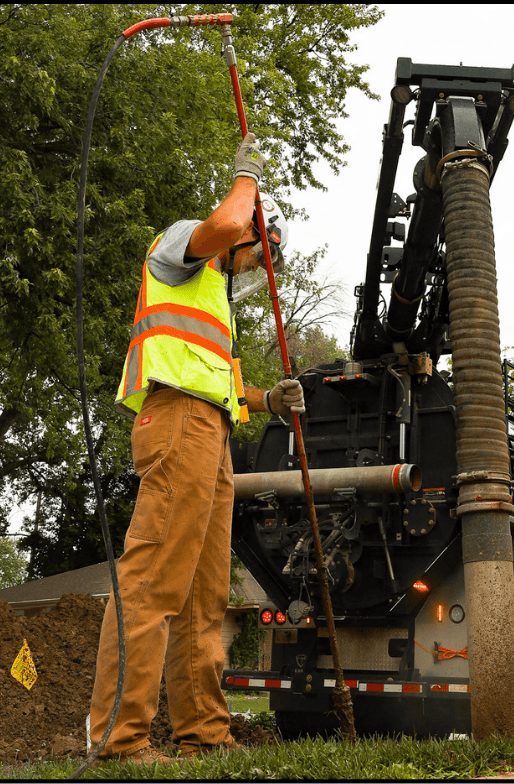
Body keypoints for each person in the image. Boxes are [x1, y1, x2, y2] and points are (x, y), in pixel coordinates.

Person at [89, 133, 304, 765]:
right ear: (244, 234)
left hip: (210, 434)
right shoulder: (182, 246)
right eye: (259, 254)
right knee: (155, 579)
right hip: (175, 422)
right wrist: (248, 177)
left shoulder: (216, 299)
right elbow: (230, 218)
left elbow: (220, 383)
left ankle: (203, 731)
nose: (258, 269)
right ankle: (119, 740)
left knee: (205, 594)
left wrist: (268, 401)